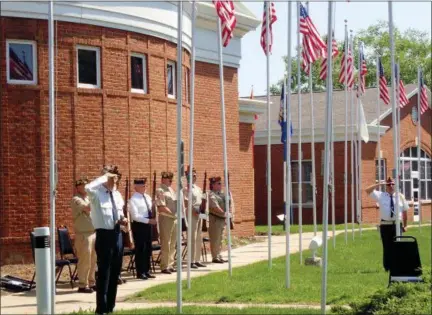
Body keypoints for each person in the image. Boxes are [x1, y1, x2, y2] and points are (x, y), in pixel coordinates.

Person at [85, 165, 128, 315]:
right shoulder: (97, 194)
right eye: (111, 177)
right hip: (104, 235)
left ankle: (110, 306)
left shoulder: (117, 194)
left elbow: (119, 213)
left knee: (115, 273)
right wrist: (104, 177)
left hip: (118, 235)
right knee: (104, 272)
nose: (114, 180)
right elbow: (87, 187)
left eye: (115, 177)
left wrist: (123, 220)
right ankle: (101, 309)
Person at [365, 177, 409, 272]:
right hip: (385, 225)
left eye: (393, 184)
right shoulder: (381, 195)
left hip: (397, 225)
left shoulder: (400, 196)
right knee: (387, 246)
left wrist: (405, 225)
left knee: (398, 246)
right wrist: (380, 184)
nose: (391, 186)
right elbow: (367, 190)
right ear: (386, 186)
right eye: (389, 184)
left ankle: (397, 266)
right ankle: (387, 268)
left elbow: (405, 212)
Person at [71, 177, 96, 293]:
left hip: (93, 232)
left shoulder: (88, 197)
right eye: (83, 186)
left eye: (87, 185)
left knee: (93, 260)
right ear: (78, 187)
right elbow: (88, 208)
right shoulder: (76, 199)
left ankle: (91, 282)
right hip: (83, 235)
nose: (85, 188)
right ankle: (82, 284)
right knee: (84, 260)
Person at [129, 178, 157, 280]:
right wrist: (148, 221)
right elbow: (135, 216)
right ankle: (140, 272)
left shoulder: (148, 197)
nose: (144, 188)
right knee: (141, 249)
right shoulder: (133, 200)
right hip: (139, 225)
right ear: (136, 187)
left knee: (148, 248)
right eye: (142, 186)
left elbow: (152, 209)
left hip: (148, 225)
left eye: (145, 186)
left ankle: (147, 270)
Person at [155, 171, 178, 274]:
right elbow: (161, 207)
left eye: (171, 179)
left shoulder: (171, 190)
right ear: (163, 179)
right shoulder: (160, 190)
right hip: (166, 218)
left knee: (173, 243)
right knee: (166, 243)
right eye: (169, 179)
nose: (170, 181)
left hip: (174, 219)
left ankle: (171, 264)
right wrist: (173, 214)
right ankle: (164, 265)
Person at [184, 168, 206, 268]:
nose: (194, 177)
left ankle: (197, 259)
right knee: (191, 237)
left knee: (198, 238)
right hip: (191, 214)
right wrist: (194, 210)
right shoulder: (186, 189)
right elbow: (186, 202)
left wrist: (202, 211)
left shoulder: (198, 188)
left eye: (195, 175)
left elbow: (202, 201)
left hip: (199, 214)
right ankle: (191, 260)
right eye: (192, 175)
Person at [208, 176, 230, 264]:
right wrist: (224, 213)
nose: (221, 185)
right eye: (219, 183)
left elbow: (227, 204)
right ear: (213, 185)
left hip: (221, 219)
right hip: (215, 219)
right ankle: (215, 257)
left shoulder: (221, 194)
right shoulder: (211, 194)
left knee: (221, 238)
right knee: (215, 239)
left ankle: (219, 255)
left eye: (221, 183)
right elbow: (215, 207)